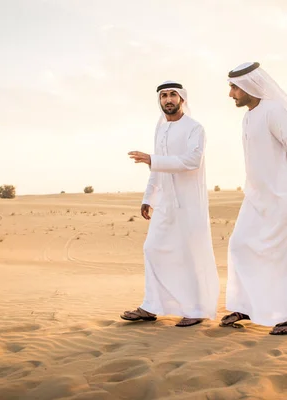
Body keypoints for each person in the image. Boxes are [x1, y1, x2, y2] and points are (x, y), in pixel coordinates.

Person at [220, 62, 287, 335]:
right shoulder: (249, 116)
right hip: (256, 197)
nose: (231, 94)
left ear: (250, 86)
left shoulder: (275, 110)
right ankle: (245, 305)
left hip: (284, 195)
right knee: (241, 245)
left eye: (234, 88)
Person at [122, 80, 219, 327]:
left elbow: (192, 160)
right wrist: (148, 198)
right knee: (152, 248)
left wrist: (153, 159)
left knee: (190, 254)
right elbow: (157, 167)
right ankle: (151, 306)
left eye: (172, 95)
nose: (168, 99)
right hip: (165, 202)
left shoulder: (195, 128)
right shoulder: (160, 129)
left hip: (189, 202)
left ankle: (196, 309)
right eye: (164, 95)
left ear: (182, 99)